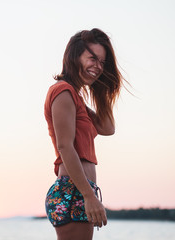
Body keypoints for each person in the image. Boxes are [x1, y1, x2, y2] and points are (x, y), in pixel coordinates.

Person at [44, 28, 124, 240]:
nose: (98, 66)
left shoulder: (76, 97)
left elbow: (108, 128)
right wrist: (89, 197)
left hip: (79, 189)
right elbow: (65, 146)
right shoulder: (63, 91)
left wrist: (100, 91)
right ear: (74, 57)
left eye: (102, 62)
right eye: (92, 58)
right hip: (73, 190)